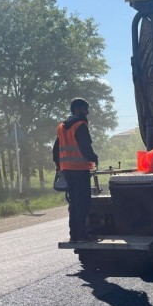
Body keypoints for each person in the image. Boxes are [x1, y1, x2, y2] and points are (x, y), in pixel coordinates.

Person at [53, 98, 99, 242]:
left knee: (73, 203)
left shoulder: (61, 127)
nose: (88, 112)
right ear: (78, 110)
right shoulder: (80, 125)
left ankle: (74, 234)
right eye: (86, 109)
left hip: (67, 170)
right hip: (79, 170)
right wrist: (94, 157)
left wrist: (59, 167)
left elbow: (55, 150)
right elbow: (85, 147)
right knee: (83, 203)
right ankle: (83, 235)